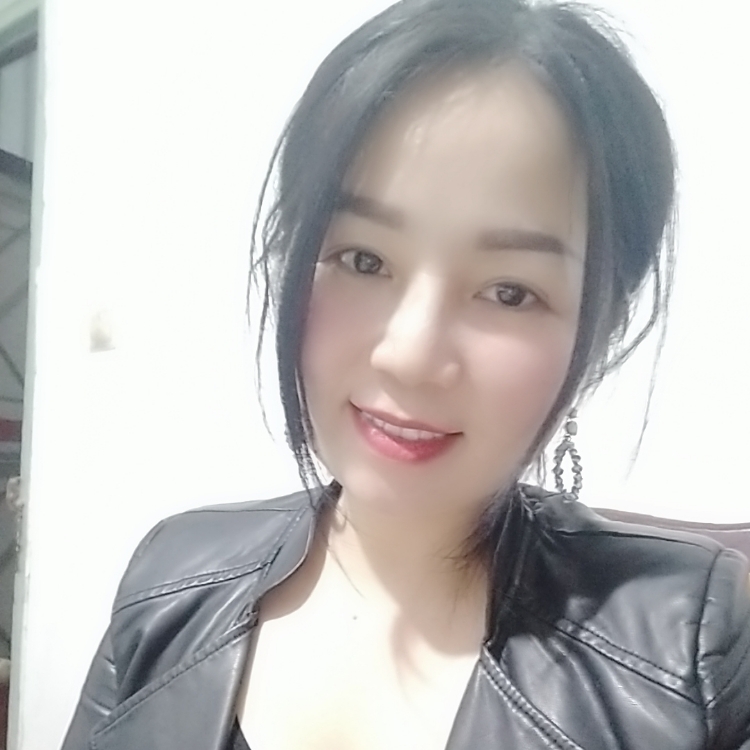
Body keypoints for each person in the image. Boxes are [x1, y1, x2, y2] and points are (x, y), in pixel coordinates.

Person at [61, 0, 750, 748]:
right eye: (364, 259)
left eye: (509, 292)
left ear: (600, 328)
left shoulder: (692, 651)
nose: (410, 355)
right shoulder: (170, 578)